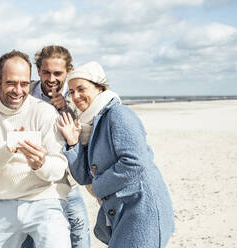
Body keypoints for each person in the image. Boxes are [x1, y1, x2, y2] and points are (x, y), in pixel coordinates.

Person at [57, 61, 175, 247]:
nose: (76, 96)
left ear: (100, 88)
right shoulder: (88, 125)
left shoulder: (118, 114)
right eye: (71, 92)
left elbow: (135, 163)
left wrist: (98, 187)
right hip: (121, 212)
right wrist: (73, 144)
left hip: (142, 210)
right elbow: (84, 177)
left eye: (81, 89)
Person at [0, 50, 71, 248]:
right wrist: (7, 150)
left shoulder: (44, 112)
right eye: (11, 83)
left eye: (24, 84)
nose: (18, 90)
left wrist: (41, 164)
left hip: (46, 202)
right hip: (4, 203)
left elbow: (59, 168)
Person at [22, 45, 90, 248]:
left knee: (79, 238)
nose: (51, 78)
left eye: (58, 73)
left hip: (67, 184)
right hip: (29, 185)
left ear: (68, 71)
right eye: (46, 72)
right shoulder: (24, 94)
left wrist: (65, 109)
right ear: (38, 71)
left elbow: (83, 137)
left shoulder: (77, 98)